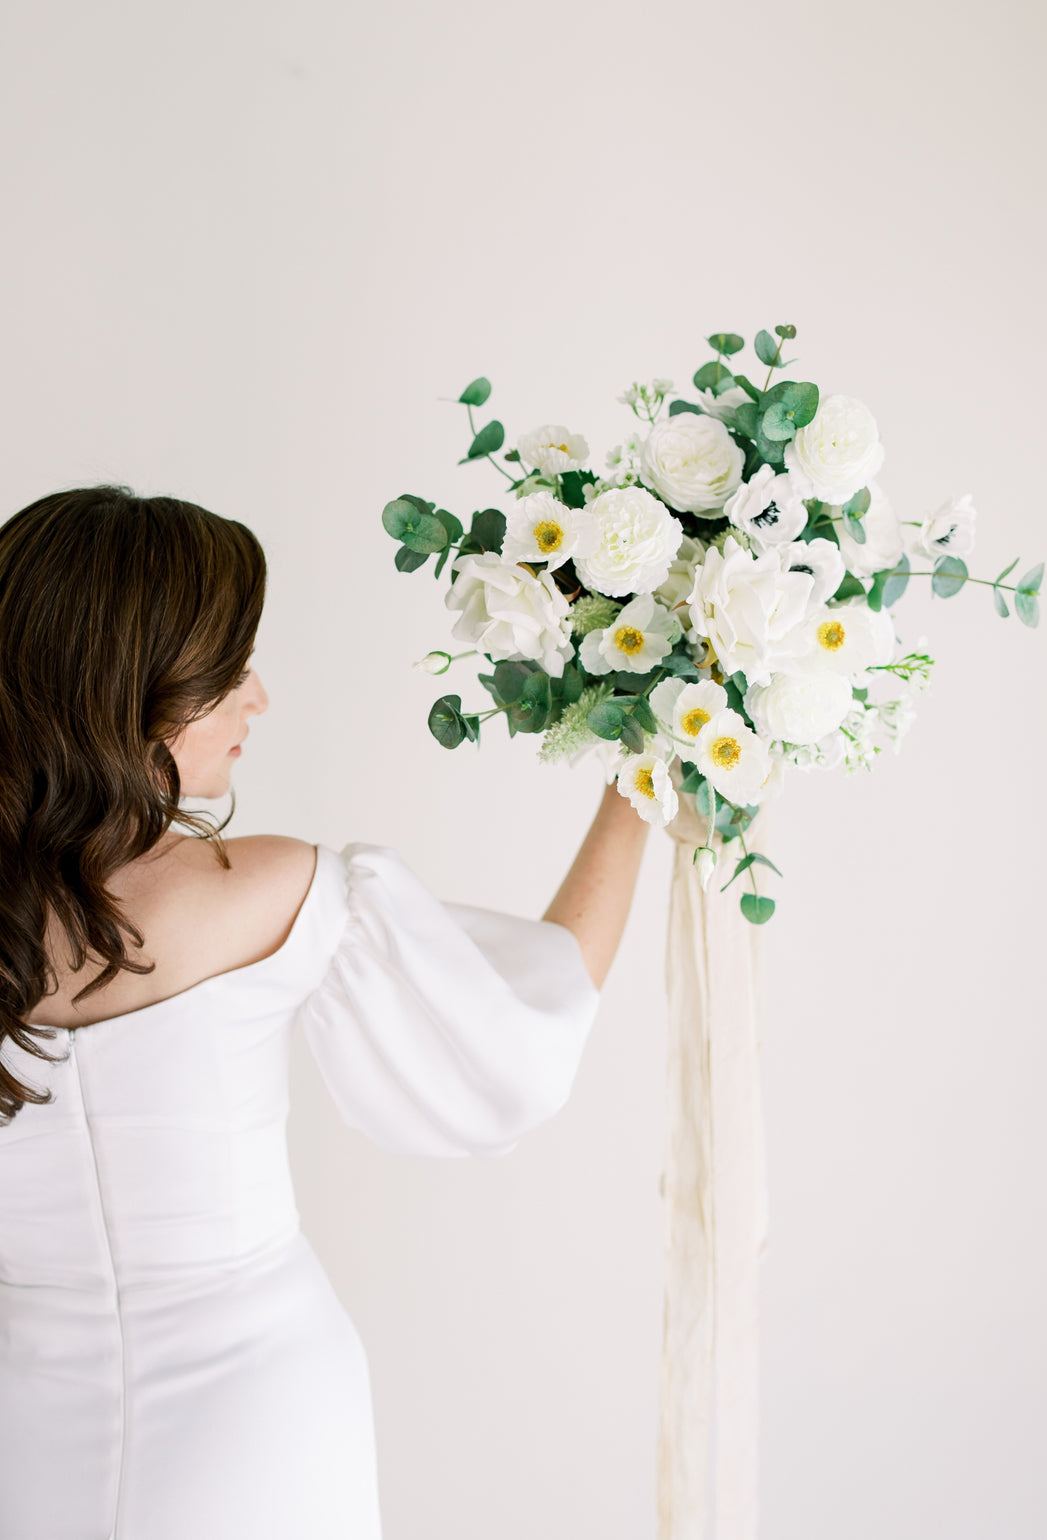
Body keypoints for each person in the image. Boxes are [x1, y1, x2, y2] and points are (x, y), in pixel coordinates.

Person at [0, 485, 650, 1540]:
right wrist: (639, 786)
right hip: (257, 1410)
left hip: (22, 1422)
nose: (256, 697)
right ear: (136, 689)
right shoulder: (271, 889)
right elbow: (524, 1027)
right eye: (225, 672)